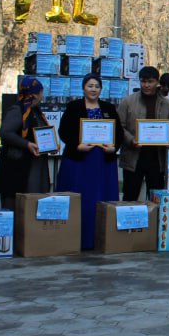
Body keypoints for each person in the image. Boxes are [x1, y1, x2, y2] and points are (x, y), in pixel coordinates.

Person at [57, 74, 120, 249]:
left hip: (103, 162)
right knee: (81, 198)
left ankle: (102, 237)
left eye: (97, 86)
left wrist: (114, 147)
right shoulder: (74, 106)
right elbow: (64, 131)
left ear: (101, 89)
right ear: (83, 88)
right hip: (80, 160)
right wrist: (76, 145)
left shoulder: (108, 108)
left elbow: (118, 131)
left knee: (101, 197)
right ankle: (78, 238)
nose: (93, 89)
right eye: (90, 86)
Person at [117, 66, 169, 201]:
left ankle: (154, 221)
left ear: (157, 82)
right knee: (130, 195)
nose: (147, 85)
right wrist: (131, 140)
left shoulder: (167, 104)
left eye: (150, 81)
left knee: (156, 197)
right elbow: (119, 126)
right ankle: (129, 221)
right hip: (133, 156)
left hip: (157, 157)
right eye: (143, 81)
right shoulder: (128, 101)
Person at [0, 76, 51, 210]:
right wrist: (26, 144)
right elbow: (6, 132)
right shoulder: (18, 110)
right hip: (17, 168)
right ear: (35, 94)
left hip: (34, 164)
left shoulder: (35, 111)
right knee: (15, 208)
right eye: (41, 93)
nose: (42, 97)